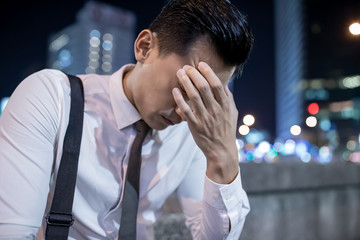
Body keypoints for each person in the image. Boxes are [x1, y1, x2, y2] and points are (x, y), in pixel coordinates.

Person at [0, 0, 254, 239]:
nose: (185, 111)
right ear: (145, 47)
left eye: (205, 95)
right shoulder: (53, 98)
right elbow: (12, 231)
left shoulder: (191, 132)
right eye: (186, 88)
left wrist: (225, 156)